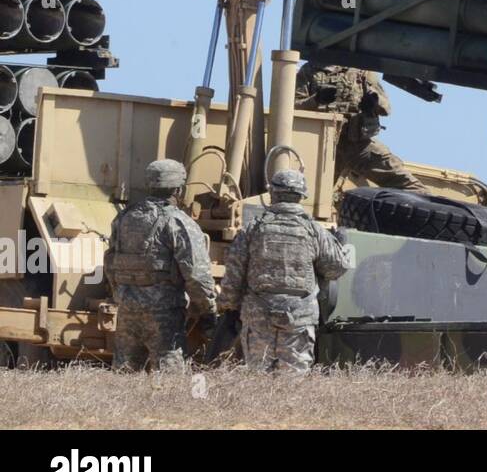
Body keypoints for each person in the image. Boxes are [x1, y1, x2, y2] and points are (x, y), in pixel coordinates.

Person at [217, 169, 354, 373]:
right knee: (293, 382)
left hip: (259, 315)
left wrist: (227, 305)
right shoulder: (314, 230)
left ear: (272, 193)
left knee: (258, 377)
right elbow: (335, 269)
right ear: (301, 196)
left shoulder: (253, 228)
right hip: (298, 317)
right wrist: (344, 248)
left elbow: (234, 273)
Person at [105, 159, 217, 372]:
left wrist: (120, 294)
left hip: (128, 307)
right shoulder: (177, 221)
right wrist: (207, 311)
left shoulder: (125, 217)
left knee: (124, 377)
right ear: (178, 189)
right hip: (164, 314)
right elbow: (196, 273)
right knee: (168, 381)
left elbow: (110, 261)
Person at [294, 62, 424, 192]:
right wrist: (316, 99)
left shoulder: (362, 70)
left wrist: (373, 102)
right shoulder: (309, 70)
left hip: (360, 145)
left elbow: (386, 108)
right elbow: (293, 107)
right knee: (309, 193)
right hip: (324, 146)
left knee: (413, 188)